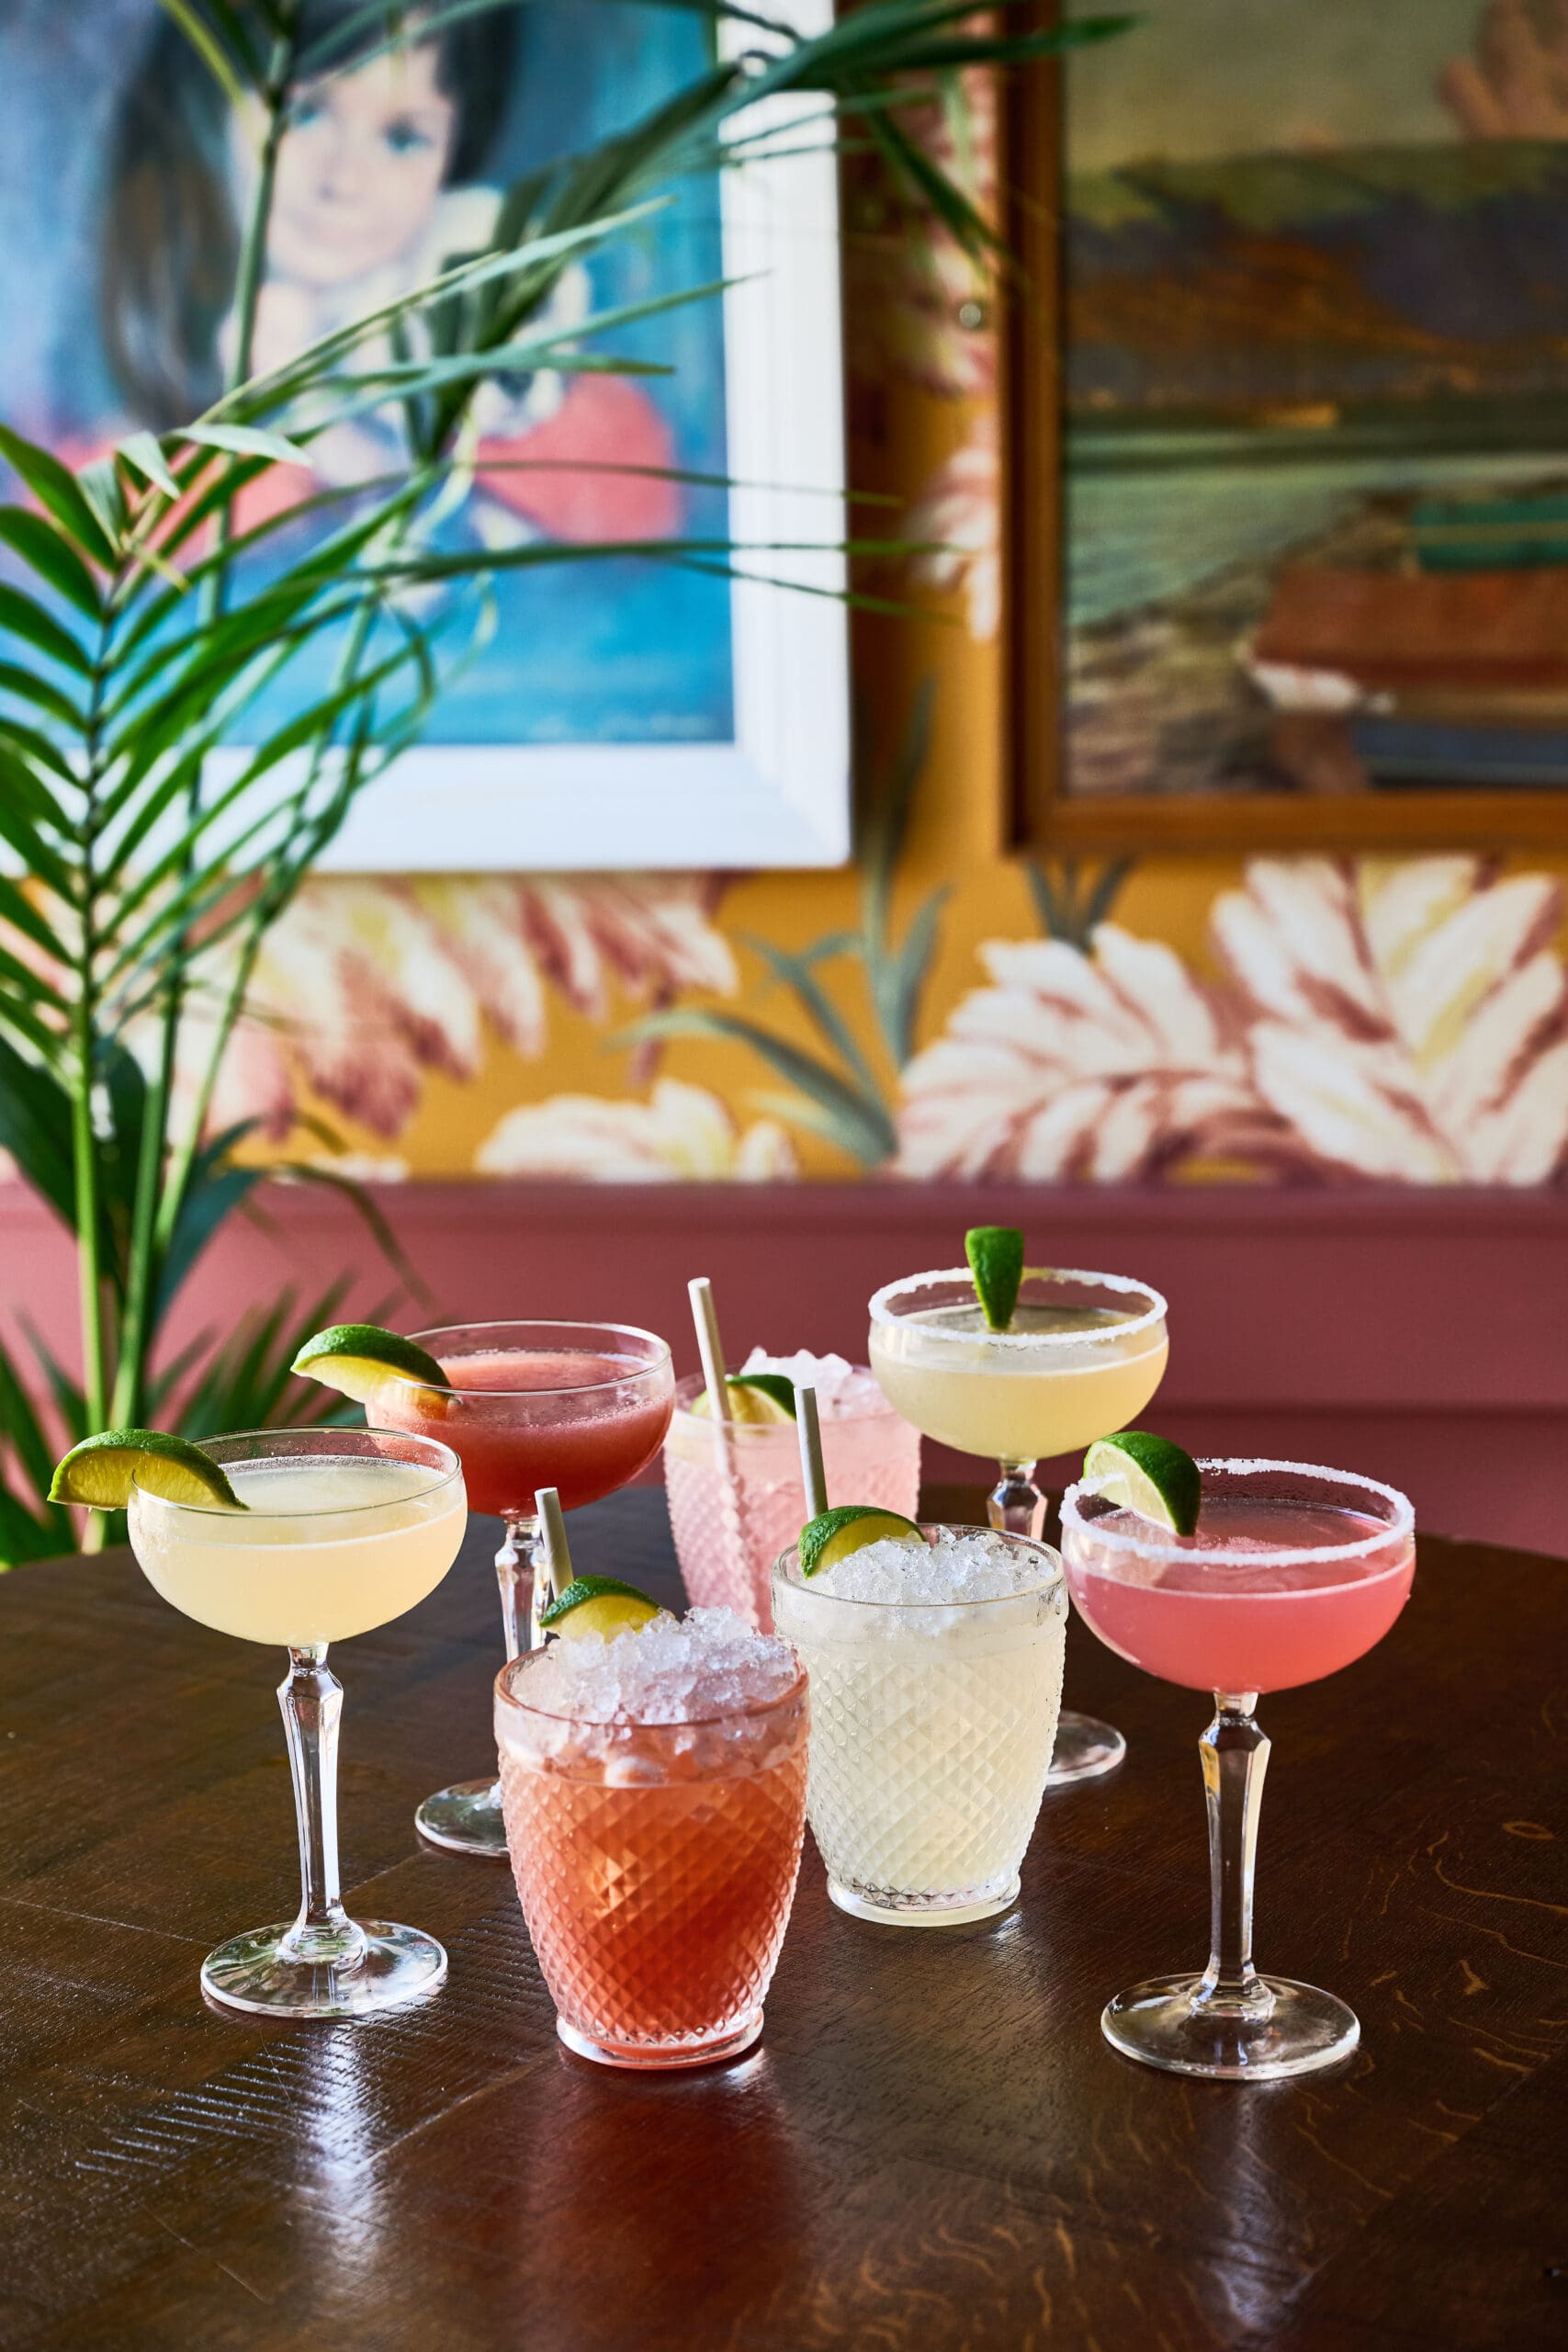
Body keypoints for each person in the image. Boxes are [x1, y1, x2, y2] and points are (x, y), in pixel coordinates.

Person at [96, 0, 680, 550]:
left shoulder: (479, 287)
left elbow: (647, 497)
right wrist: (285, 431)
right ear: (205, 109)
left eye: (402, 139)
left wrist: (408, 421)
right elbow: (76, 538)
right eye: (303, 114)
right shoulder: (141, 355)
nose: (345, 179)